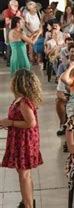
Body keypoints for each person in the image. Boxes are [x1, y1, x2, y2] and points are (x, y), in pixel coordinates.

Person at [0, 69, 43, 208]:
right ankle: (27, 202)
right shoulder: (20, 100)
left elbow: (31, 123)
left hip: (25, 142)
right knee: (24, 174)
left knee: (24, 175)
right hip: (22, 140)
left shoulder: (24, 102)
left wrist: (10, 123)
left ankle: (28, 205)